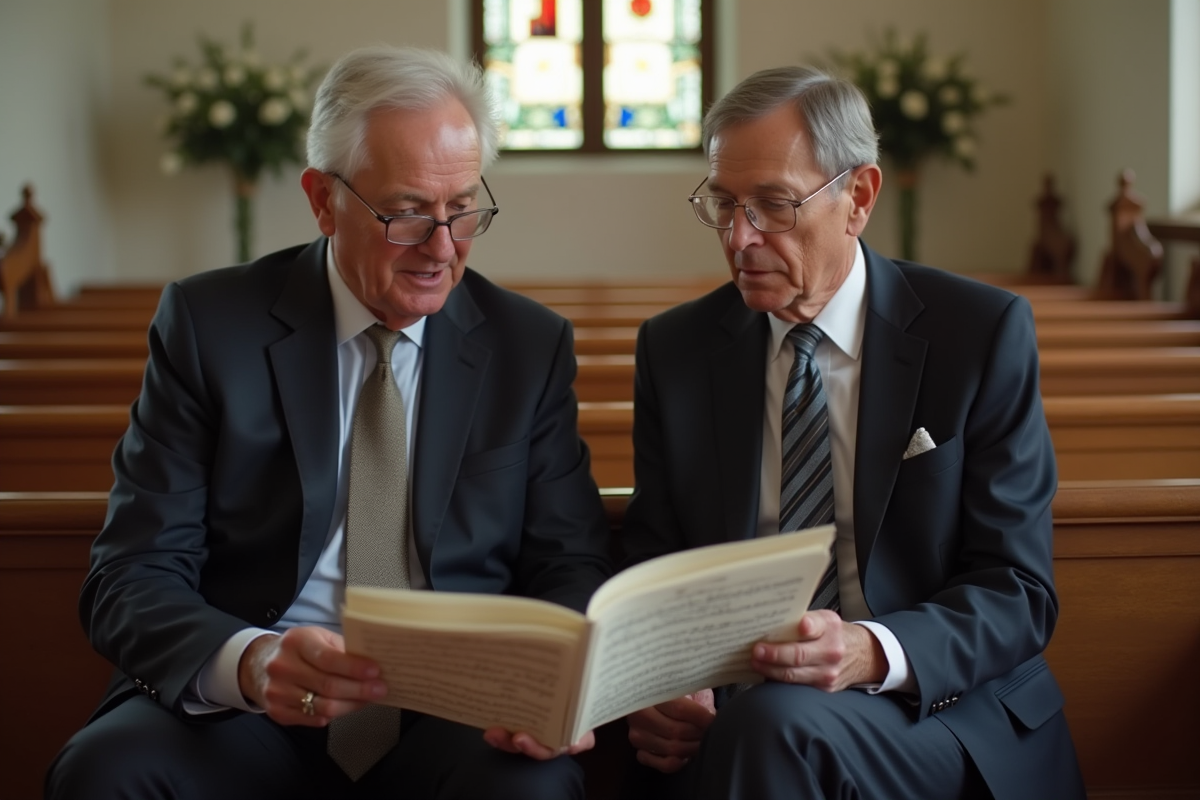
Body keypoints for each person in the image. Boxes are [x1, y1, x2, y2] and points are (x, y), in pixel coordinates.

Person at [47, 45, 611, 800]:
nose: (442, 249)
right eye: (407, 214)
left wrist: (550, 688)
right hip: (248, 703)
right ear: (322, 200)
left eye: (464, 209)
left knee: (531, 790)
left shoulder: (527, 345)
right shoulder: (211, 325)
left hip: (456, 711)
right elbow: (131, 572)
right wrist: (249, 663)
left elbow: (570, 563)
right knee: (108, 772)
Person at [620, 65, 1086, 800]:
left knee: (771, 729)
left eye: (773, 205)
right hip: (740, 716)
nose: (740, 237)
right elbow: (653, 557)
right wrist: (657, 687)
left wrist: (872, 650)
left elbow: (1019, 588)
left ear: (858, 198)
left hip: (938, 710)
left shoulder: (978, 334)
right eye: (722, 203)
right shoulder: (678, 350)